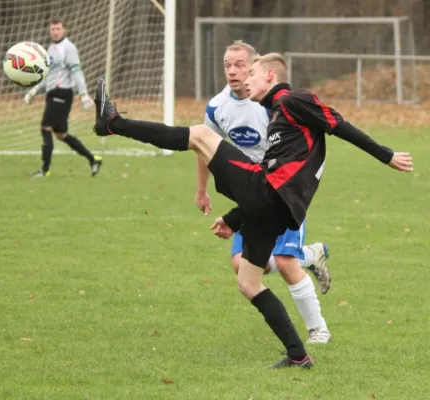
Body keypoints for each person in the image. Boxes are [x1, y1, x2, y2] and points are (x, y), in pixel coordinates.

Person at [91, 53, 413, 369]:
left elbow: (338, 124)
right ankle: (298, 355)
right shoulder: (277, 115)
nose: (246, 79)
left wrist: (385, 155)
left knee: (201, 136)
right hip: (274, 207)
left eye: (253, 73)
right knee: (248, 283)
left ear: (270, 76)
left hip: (269, 195)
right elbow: (279, 180)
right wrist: (234, 219)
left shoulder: (291, 99)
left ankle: (113, 124)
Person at [196, 41, 331, 344]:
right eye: (227, 65)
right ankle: (310, 255)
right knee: (240, 266)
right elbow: (204, 146)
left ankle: (318, 330)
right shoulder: (217, 107)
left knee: (284, 262)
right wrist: (202, 189)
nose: (233, 71)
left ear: (256, 67)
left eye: (240, 65)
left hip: (283, 192)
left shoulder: (272, 103)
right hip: (251, 194)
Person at [24, 16, 103, 177]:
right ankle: (93, 159)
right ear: (49, 31)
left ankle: (44, 170)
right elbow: (48, 77)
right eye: (53, 29)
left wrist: (83, 94)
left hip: (62, 93)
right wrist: (35, 90)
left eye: (58, 29)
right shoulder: (50, 49)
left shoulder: (69, 48)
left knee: (45, 127)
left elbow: (76, 71)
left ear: (64, 30)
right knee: (61, 135)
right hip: (52, 93)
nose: (55, 32)